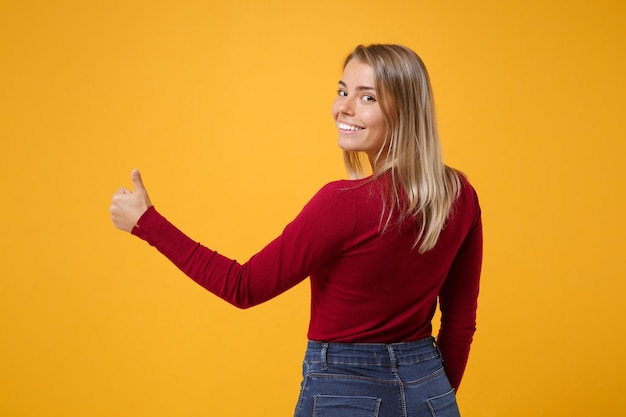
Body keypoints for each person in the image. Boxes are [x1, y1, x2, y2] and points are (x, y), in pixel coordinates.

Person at [110, 44, 482, 417]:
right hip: (431, 390)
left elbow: (244, 286)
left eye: (366, 96)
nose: (344, 108)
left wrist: (148, 223)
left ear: (405, 111)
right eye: (342, 91)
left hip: (344, 390)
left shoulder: (343, 202)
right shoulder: (460, 195)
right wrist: (434, 397)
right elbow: (460, 323)